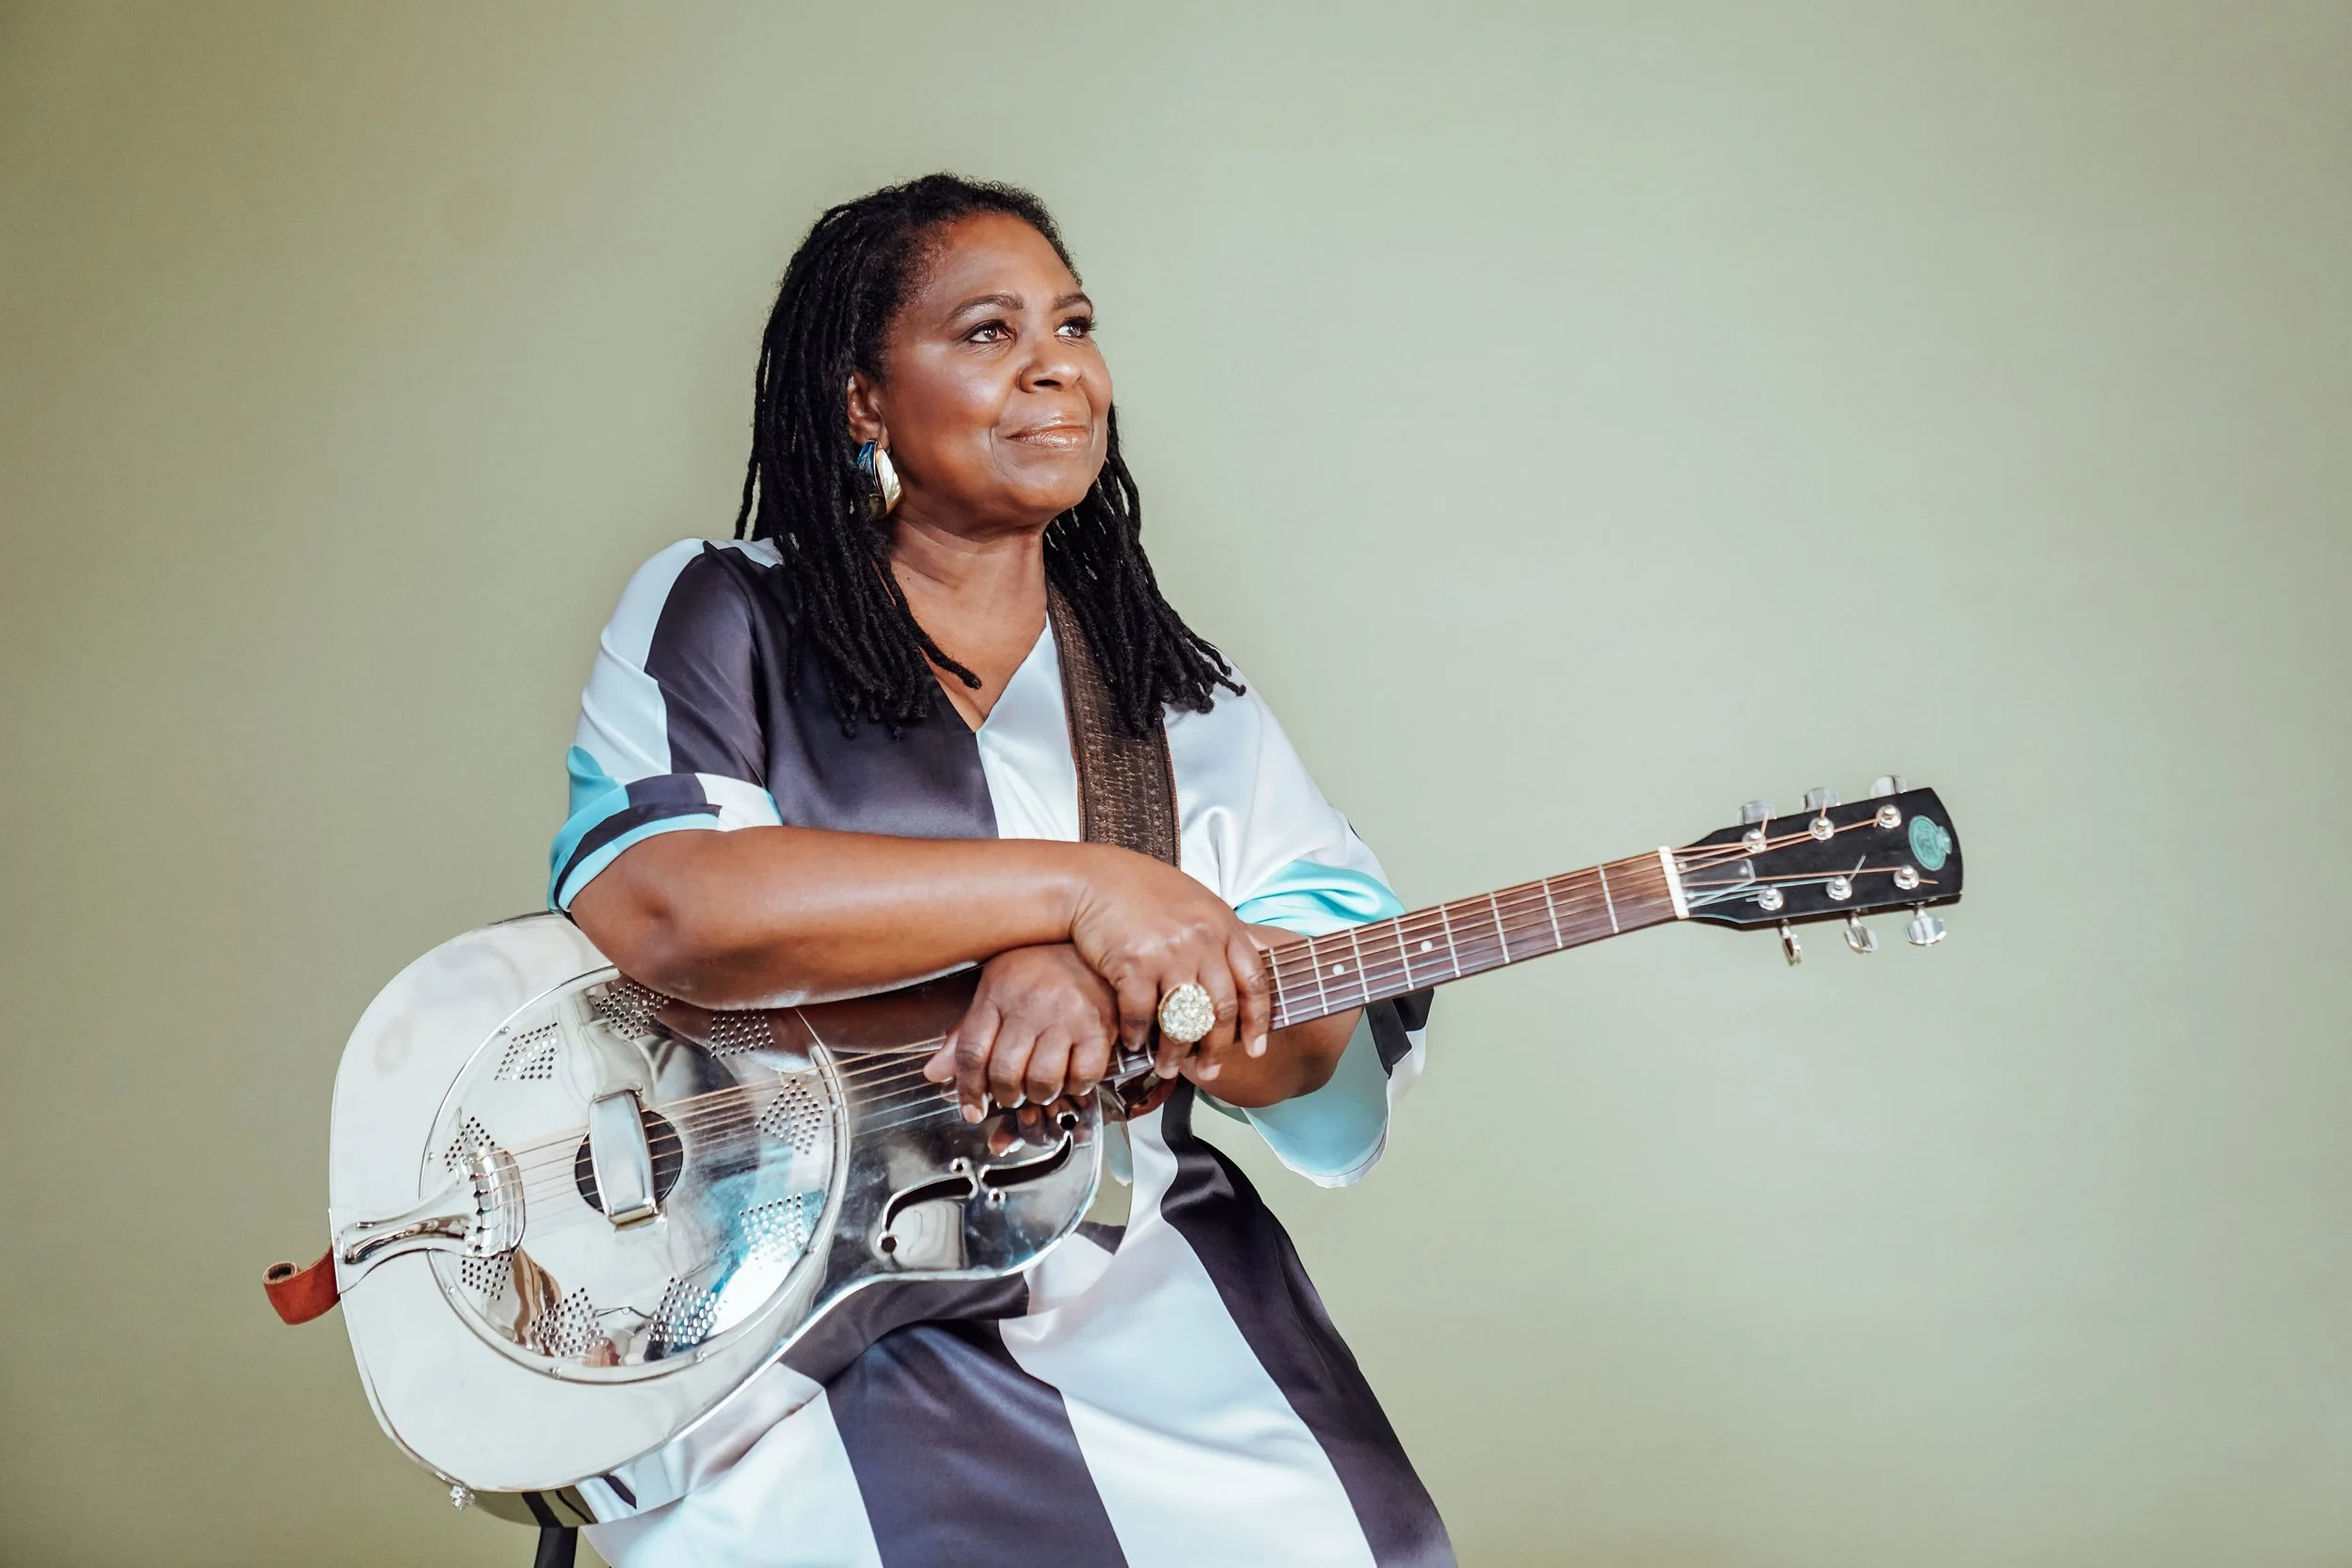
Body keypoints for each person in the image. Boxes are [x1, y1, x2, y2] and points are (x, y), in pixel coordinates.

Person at [554, 173, 1451, 1568]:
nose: (1056, 365)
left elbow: (1319, 1071)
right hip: (781, 1309)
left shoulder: (1184, 703)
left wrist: (1183, 1000)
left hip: (1129, 1270)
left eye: (1074, 324)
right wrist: (1076, 900)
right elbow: (670, 904)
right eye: (986, 330)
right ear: (862, 398)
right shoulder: (728, 613)